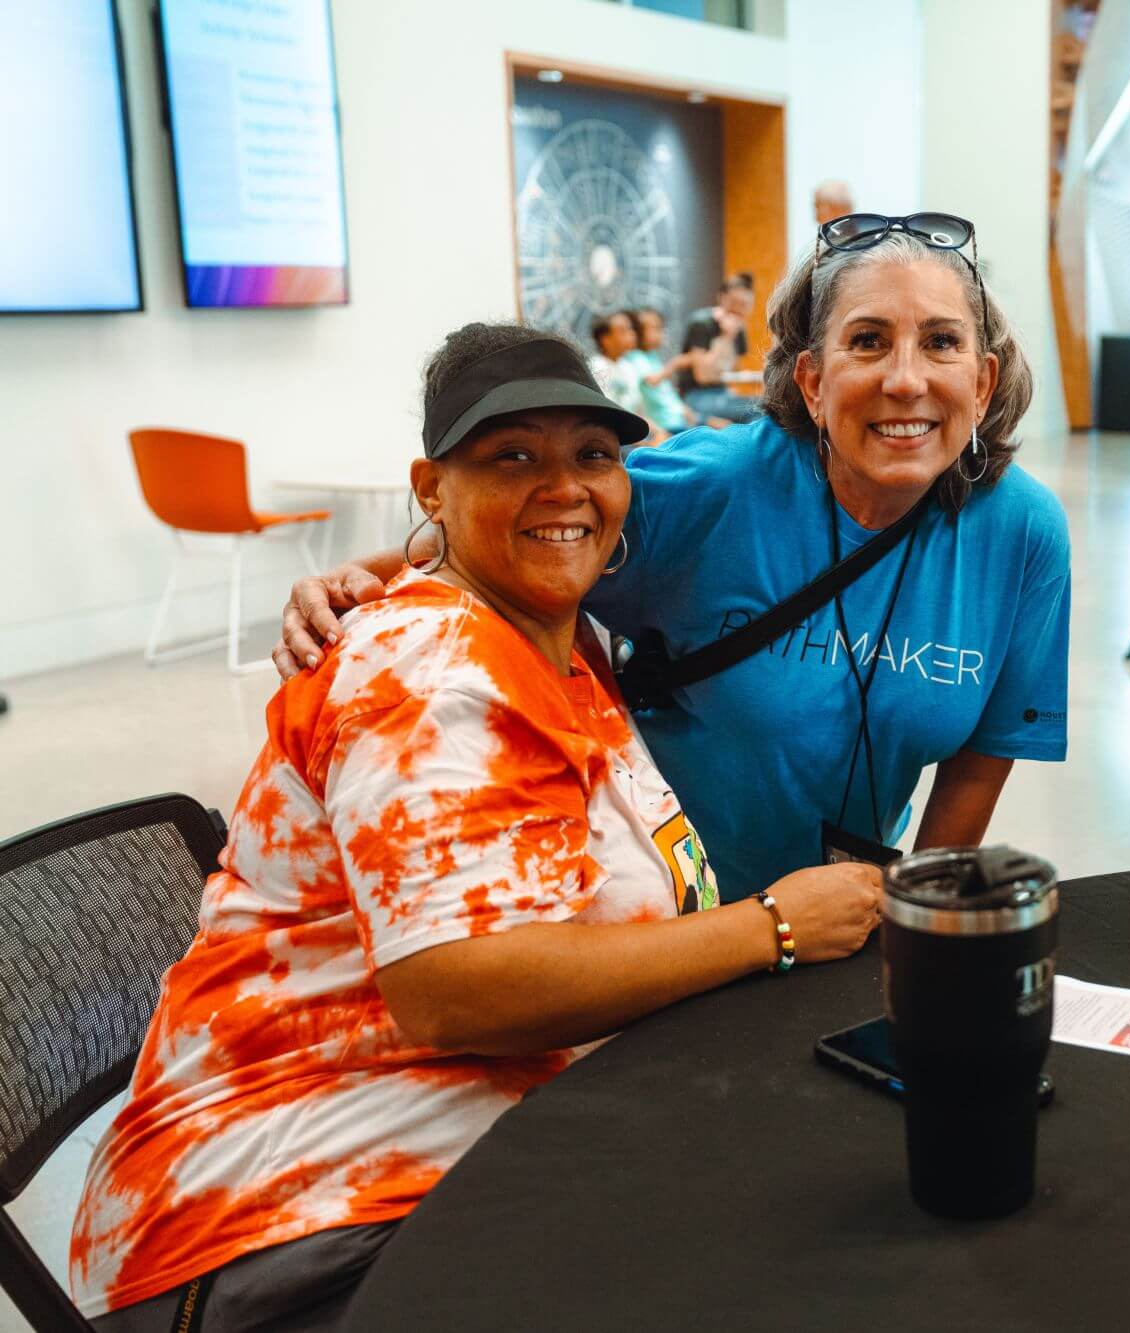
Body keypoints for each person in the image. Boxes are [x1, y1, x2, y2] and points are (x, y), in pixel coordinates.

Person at [75, 324, 882, 1329]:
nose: (564, 487)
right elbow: (453, 990)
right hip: (288, 1219)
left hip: (469, 1153)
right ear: (430, 488)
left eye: (592, 453)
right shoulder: (427, 677)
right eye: (512, 456)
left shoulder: (557, 636)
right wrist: (773, 925)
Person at [275, 212, 1070, 907]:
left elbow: (978, 758)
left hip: (843, 918)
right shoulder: (718, 488)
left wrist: (912, 917)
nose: (906, 379)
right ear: (814, 381)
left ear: (983, 376)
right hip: (652, 905)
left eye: (941, 342)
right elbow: (530, 523)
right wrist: (364, 578)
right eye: (868, 342)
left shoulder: (1023, 534)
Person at [676, 275, 761, 425]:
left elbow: (732, 368)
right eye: (734, 303)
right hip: (696, 396)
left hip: (721, 392)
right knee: (759, 409)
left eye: (745, 305)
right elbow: (703, 376)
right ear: (722, 298)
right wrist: (725, 337)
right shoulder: (702, 323)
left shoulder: (739, 328)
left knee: (769, 407)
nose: (738, 310)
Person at [621, 305, 704, 436]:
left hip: (678, 419)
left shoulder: (652, 356)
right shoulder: (635, 357)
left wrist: (683, 408)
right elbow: (651, 380)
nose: (660, 333)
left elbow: (666, 391)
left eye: (660, 328)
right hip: (664, 423)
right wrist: (674, 364)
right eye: (654, 328)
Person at [586, 310, 647, 420]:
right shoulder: (596, 368)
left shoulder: (629, 367)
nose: (631, 334)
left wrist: (657, 431)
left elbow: (638, 411)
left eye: (630, 329)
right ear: (605, 339)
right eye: (622, 331)